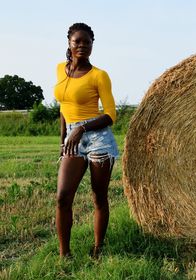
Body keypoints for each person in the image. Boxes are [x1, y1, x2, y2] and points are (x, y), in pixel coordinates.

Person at [54, 23, 118, 258]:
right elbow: (63, 107)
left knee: (98, 196)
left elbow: (111, 115)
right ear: (69, 43)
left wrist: (82, 127)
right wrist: (63, 141)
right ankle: (64, 254)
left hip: (98, 138)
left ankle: (98, 248)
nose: (82, 45)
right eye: (77, 41)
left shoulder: (99, 76)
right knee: (62, 197)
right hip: (73, 138)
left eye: (87, 42)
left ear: (92, 45)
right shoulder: (61, 69)